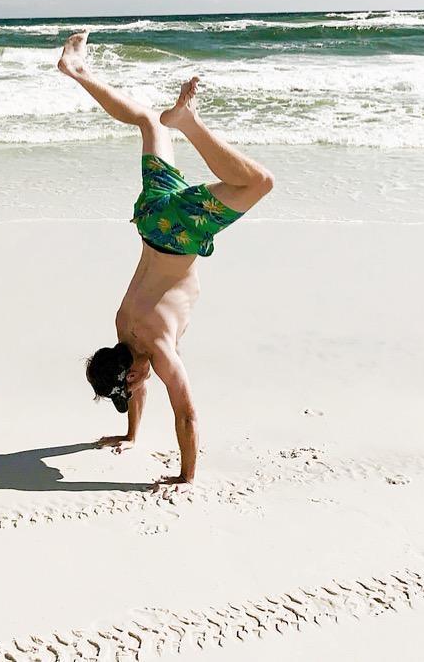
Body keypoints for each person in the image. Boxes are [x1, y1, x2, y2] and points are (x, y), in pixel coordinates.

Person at [58, 31, 274, 491]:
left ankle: (190, 122)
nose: (136, 384)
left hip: (179, 232)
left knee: (259, 183)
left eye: (130, 383)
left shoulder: (156, 347)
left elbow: (186, 411)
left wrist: (186, 474)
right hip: (151, 217)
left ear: (132, 370)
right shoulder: (122, 329)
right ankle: (78, 72)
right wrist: (130, 435)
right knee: (148, 124)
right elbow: (135, 382)